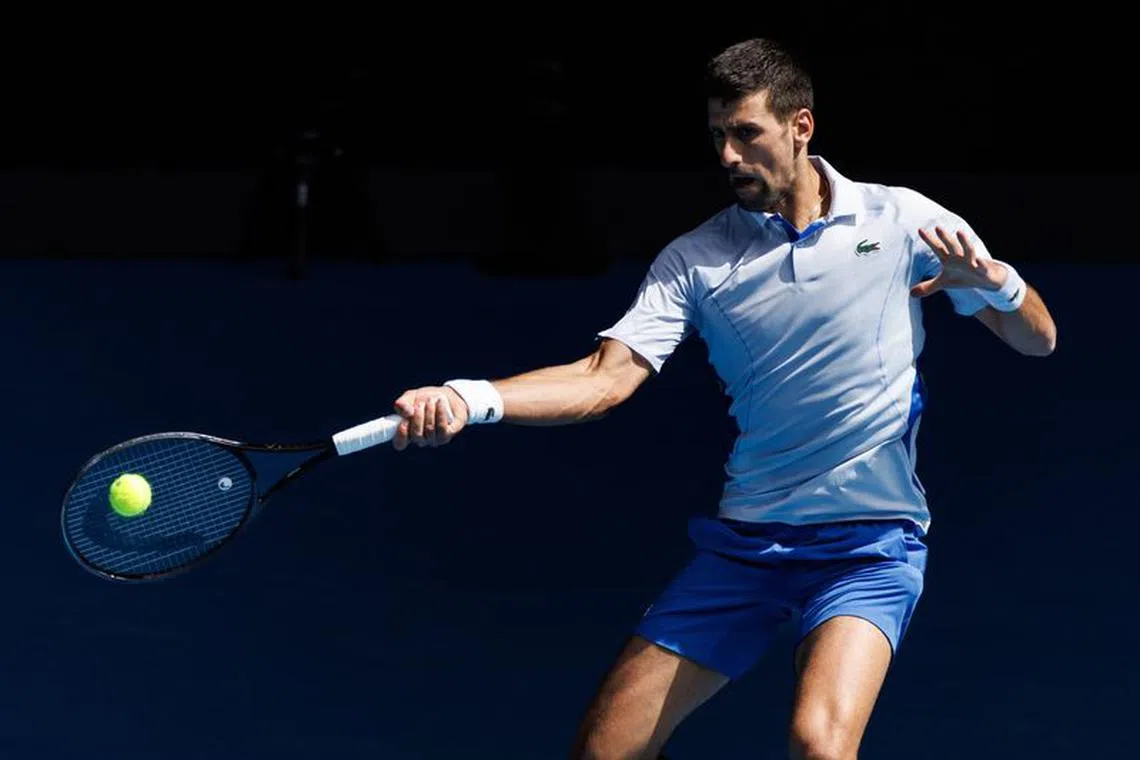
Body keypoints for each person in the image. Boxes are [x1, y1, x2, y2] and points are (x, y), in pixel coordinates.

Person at [387, 38, 1057, 760]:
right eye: (717, 137)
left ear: (801, 127)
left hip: (870, 544)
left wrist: (996, 285)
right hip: (747, 549)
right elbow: (602, 379)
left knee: (820, 746)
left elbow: (1037, 339)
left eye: (746, 133)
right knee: (604, 752)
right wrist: (469, 396)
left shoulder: (900, 222)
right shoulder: (695, 259)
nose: (729, 156)